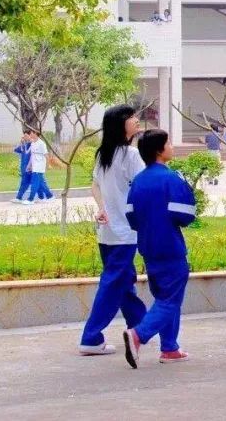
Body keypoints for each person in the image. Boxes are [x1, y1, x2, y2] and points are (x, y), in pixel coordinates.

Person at [78, 105, 148, 356]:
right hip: (125, 231)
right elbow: (143, 189)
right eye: (132, 118)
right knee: (112, 283)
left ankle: (141, 326)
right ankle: (91, 337)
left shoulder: (103, 154)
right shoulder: (131, 156)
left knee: (122, 280)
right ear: (121, 125)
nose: (137, 120)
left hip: (108, 231)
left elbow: (95, 186)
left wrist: (102, 209)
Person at [123, 129, 196, 368]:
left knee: (164, 297)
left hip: (148, 247)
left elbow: (131, 218)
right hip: (171, 246)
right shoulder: (171, 179)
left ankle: (170, 347)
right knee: (170, 301)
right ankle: (138, 335)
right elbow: (185, 216)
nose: (172, 147)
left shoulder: (138, 181)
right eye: (169, 143)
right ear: (159, 150)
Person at [21, 132, 53, 204]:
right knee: (41, 183)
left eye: (31, 133)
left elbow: (46, 156)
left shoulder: (42, 144)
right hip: (35, 166)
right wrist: (29, 166)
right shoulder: (33, 143)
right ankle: (50, 196)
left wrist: (48, 165)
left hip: (39, 166)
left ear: (35, 134)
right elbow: (32, 156)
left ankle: (30, 199)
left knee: (34, 182)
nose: (30, 134)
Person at [11, 130, 33, 204]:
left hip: (30, 168)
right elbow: (15, 150)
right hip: (24, 168)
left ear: (30, 135)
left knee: (28, 183)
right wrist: (21, 142)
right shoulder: (24, 145)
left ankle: (48, 196)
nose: (24, 137)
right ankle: (46, 196)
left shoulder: (33, 145)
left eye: (26, 135)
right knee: (26, 183)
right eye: (24, 135)